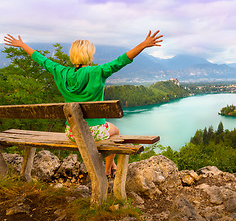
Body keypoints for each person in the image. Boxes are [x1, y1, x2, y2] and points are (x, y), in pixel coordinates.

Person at [4, 30, 163, 177]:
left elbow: (42, 60)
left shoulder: (60, 72)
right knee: (115, 130)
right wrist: (143, 44)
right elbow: (121, 60)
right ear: (89, 56)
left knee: (108, 131)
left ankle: (110, 164)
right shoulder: (97, 72)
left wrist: (22, 44)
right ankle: (108, 168)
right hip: (95, 132)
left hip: (73, 133)